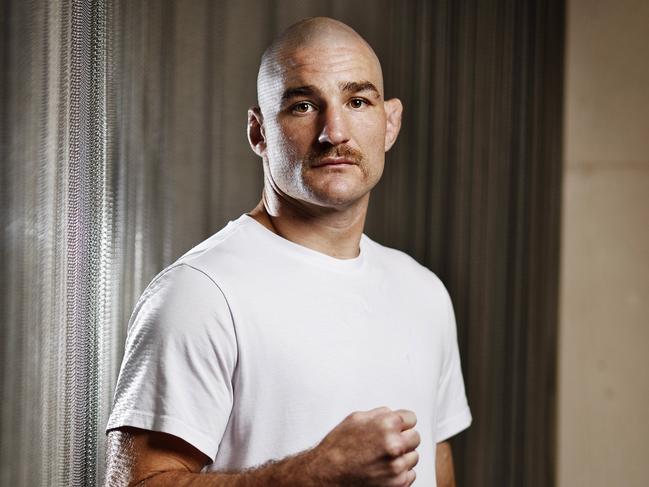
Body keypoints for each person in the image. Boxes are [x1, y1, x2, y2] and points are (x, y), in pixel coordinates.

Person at [104, 16, 471, 487]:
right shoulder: (199, 293)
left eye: (357, 101)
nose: (334, 131)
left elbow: (437, 461)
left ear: (390, 122)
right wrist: (313, 473)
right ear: (258, 132)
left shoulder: (423, 291)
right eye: (302, 105)